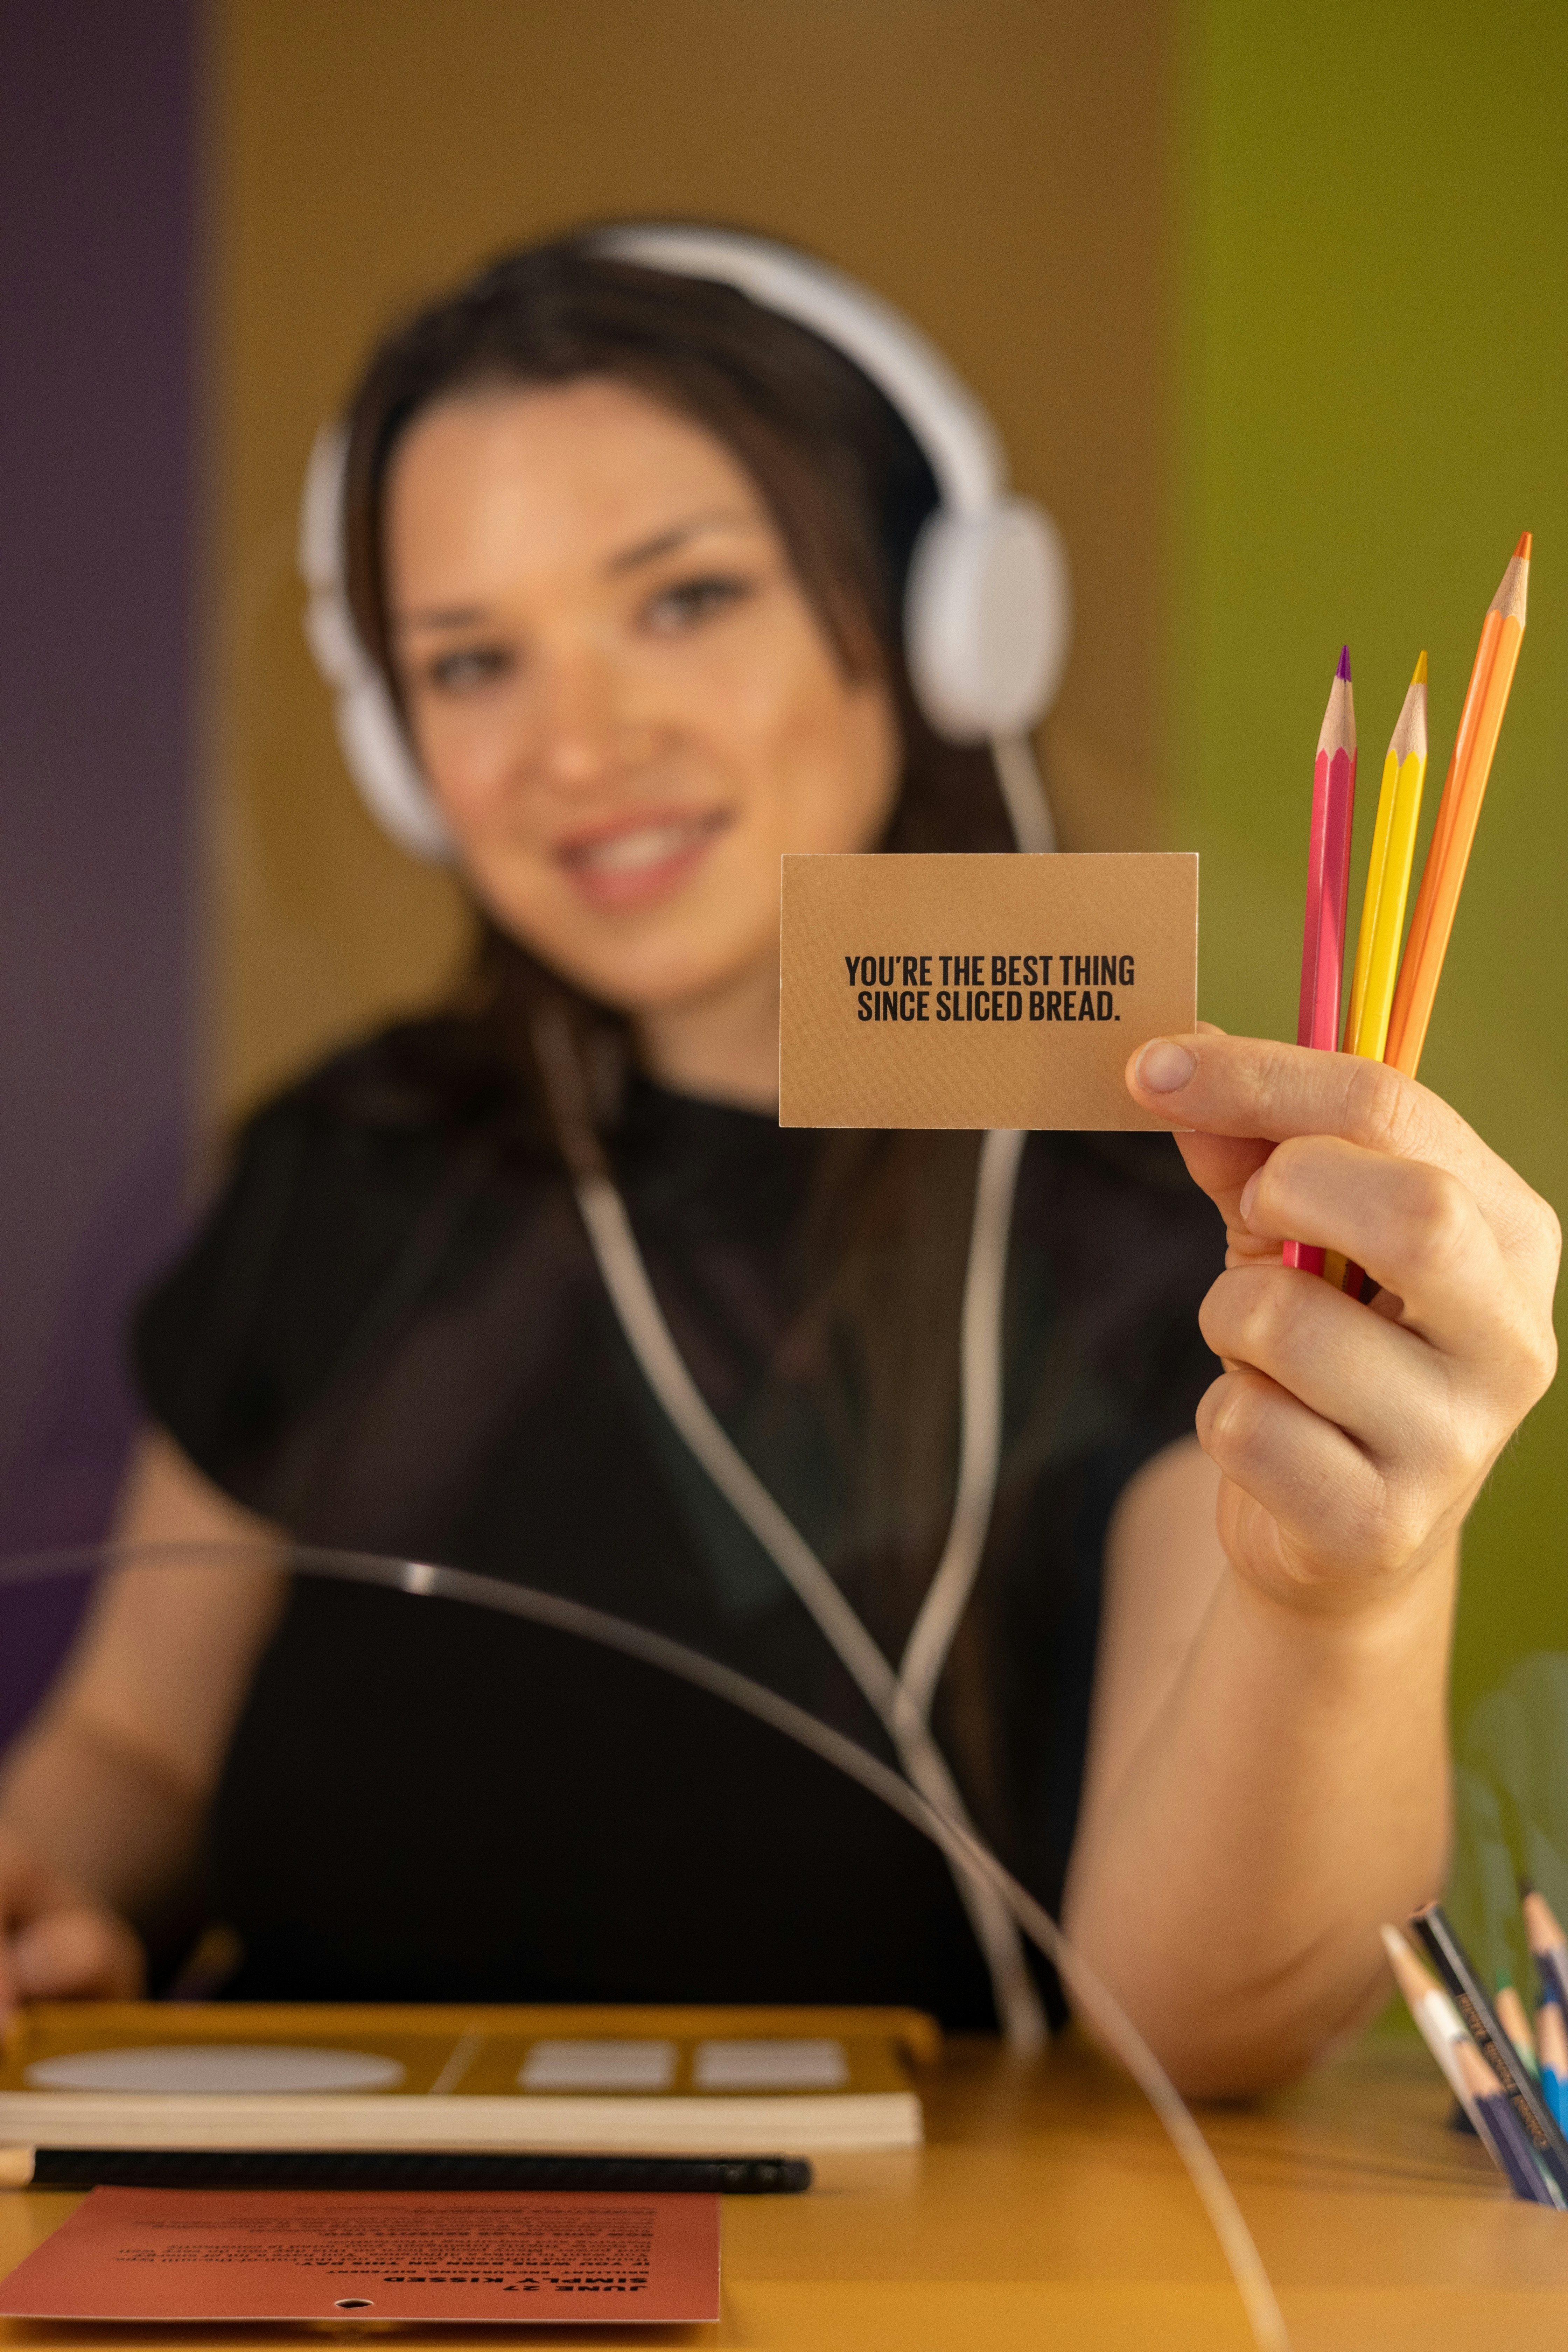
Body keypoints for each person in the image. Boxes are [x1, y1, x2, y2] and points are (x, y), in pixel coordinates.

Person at [0, 233, 1556, 2097]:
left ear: (938, 622)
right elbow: (139, 1747)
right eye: (473, 659)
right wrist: (49, 1881)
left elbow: (1197, 2023)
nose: (582, 742)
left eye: (684, 601)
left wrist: (1344, 1598)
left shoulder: (1182, 1214)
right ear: (400, 742)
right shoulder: (345, 1157)